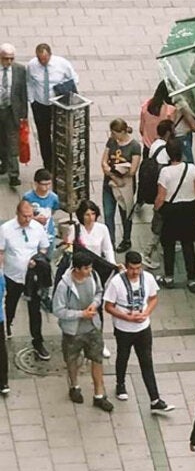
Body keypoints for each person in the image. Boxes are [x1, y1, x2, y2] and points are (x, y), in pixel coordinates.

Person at [104, 251, 174, 413]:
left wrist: (146, 313)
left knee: (146, 361)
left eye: (138, 268)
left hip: (143, 328)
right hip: (123, 328)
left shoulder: (148, 278)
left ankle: (155, 399)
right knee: (123, 356)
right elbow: (108, 306)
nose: (135, 272)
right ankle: (120, 383)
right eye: (131, 268)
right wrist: (126, 317)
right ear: (126, 266)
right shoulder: (116, 282)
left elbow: (153, 298)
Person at [54, 250, 111, 411]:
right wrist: (81, 314)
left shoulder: (93, 276)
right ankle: (74, 386)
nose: (89, 271)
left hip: (93, 327)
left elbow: (99, 292)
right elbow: (58, 310)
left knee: (97, 359)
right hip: (73, 331)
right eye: (86, 268)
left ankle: (99, 394)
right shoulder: (64, 286)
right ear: (77, 268)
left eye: (90, 267)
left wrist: (95, 304)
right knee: (72, 360)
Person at [154, 140, 195, 292]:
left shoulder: (165, 172)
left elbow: (161, 197)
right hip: (189, 210)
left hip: (171, 211)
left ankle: (169, 277)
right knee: (188, 245)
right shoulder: (192, 169)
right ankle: (192, 278)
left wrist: (156, 210)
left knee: (168, 245)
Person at [2, 201, 49, 360]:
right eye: (25, 216)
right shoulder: (6, 229)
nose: (28, 219)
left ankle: (38, 341)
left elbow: (44, 247)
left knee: (35, 310)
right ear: (17, 213)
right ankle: (8, 324)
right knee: (10, 303)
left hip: (32, 277)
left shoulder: (37, 228)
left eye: (30, 216)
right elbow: (1, 251)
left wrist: (38, 259)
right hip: (12, 276)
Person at [27, 43, 78, 171]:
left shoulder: (62, 64)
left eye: (45, 59)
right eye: (40, 59)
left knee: (60, 133)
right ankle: (48, 164)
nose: (43, 62)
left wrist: (64, 88)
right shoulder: (32, 65)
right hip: (40, 105)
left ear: (50, 55)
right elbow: (29, 82)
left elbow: (74, 78)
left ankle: (60, 161)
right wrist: (31, 99)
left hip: (57, 105)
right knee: (43, 135)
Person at [103, 119, 143, 251]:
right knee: (108, 213)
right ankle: (110, 241)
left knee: (125, 213)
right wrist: (113, 175)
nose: (112, 136)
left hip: (125, 186)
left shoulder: (134, 146)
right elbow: (104, 161)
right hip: (110, 183)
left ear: (122, 132)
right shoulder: (111, 141)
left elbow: (132, 170)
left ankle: (126, 239)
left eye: (115, 133)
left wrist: (117, 171)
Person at [0, 44, 24, 188]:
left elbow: (23, 93)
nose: (9, 62)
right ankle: (3, 164)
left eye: (11, 58)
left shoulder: (19, 70)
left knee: (12, 141)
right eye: (5, 58)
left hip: (11, 111)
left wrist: (23, 115)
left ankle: (14, 174)